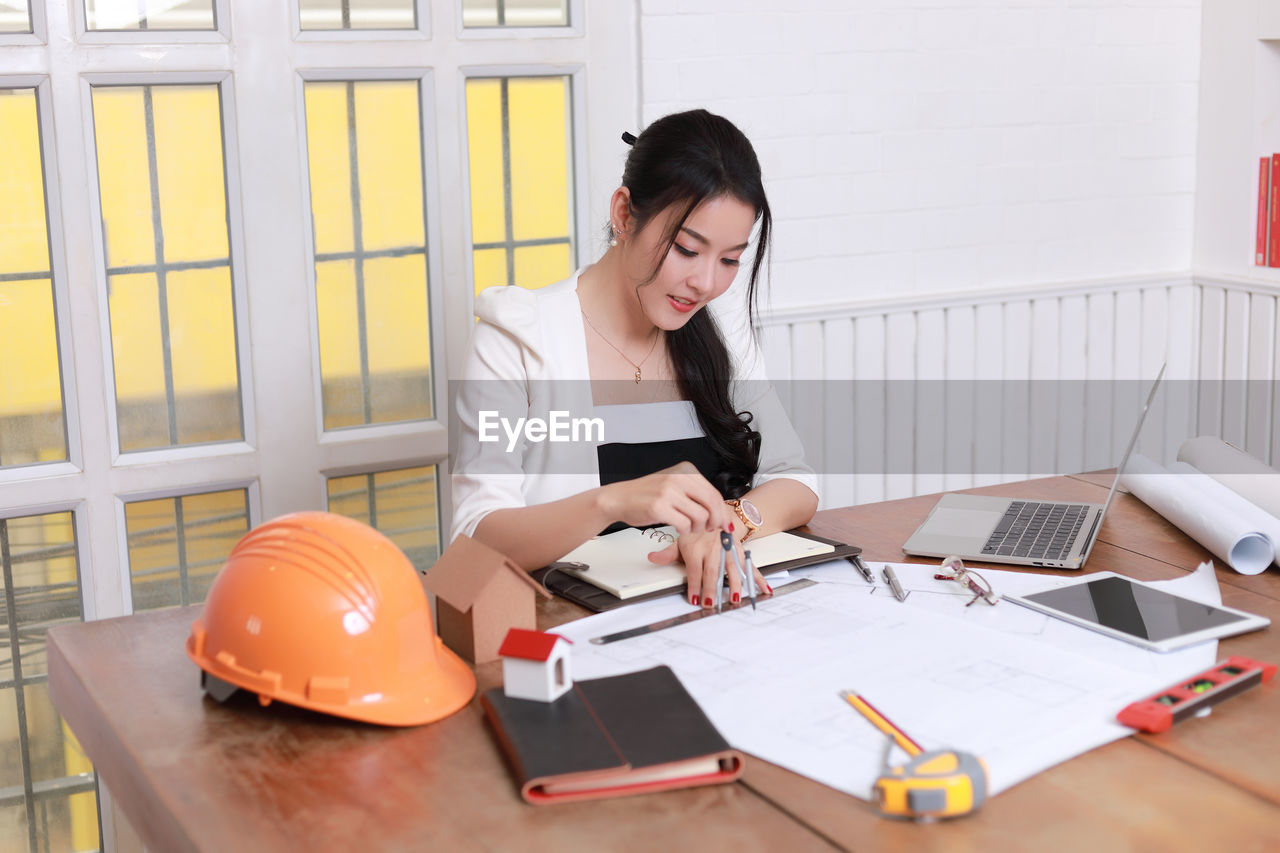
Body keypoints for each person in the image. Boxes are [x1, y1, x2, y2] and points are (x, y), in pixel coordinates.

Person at [451, 109, 818, 608]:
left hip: (716, 617)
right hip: (570, 627)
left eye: (730, 259)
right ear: (624, 214)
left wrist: (728, 525)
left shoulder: (722, 334)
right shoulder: (517, 338)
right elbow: (476, 535)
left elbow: (794, 480)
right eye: (688, 249)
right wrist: (613, 502)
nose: (706, 283)